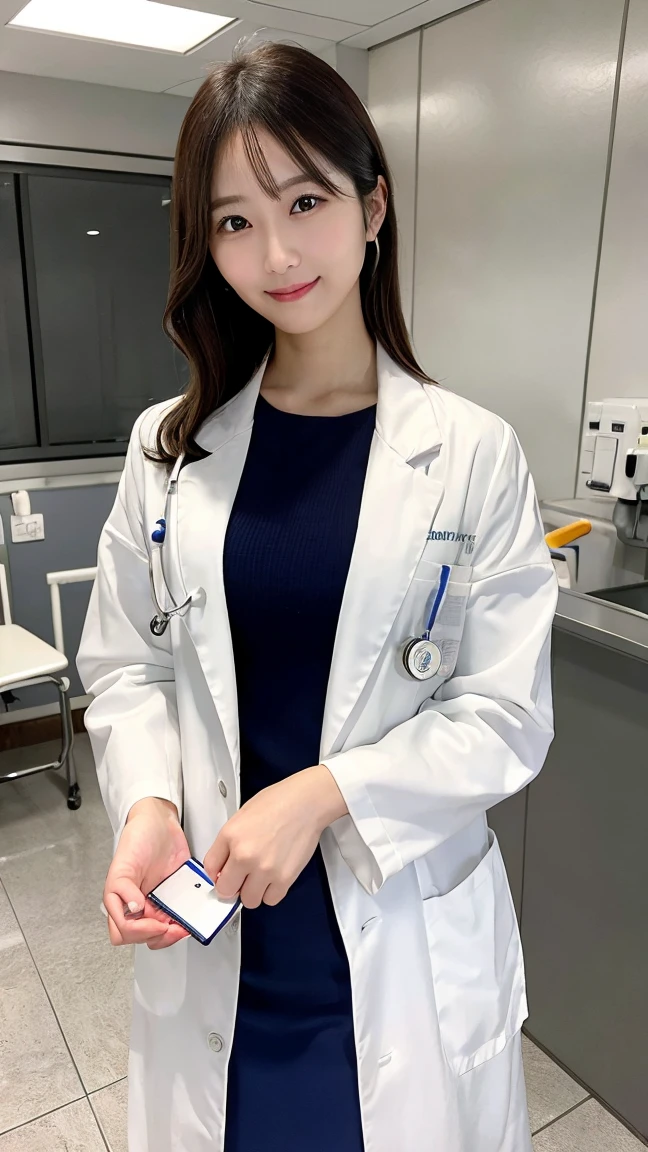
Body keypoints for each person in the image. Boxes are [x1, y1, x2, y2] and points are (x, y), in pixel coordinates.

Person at [77, 41, 558, 1152]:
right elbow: (127, 664)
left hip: (400, 956)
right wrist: (147, 802)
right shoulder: (170, 448)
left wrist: (326, 791)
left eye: (306, 199)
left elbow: (503, 715)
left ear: (372, 203)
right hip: (221, 960)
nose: (276, 252)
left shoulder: (473, 454)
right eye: (235, 220)